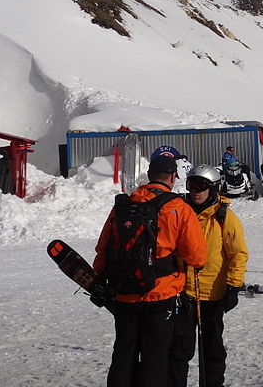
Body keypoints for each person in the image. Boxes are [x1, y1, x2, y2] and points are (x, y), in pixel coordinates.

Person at [94, 152, 207, 387]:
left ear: (149, 175)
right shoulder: (178, 207)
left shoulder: (124, 205)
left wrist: (102, 276)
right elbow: (196, 257)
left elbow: (103, 247)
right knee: (155, 357)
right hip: (161, 295)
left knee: (123, 354)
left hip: (124, 293)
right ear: (173, 177)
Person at [168, 165, 248, 387]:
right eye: (191, 185)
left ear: (212, 188)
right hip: (184, 293)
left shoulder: (224, 217)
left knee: (211, 349)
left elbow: (238, 253)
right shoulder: (181, 213)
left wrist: (233, 286)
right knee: (179, 349)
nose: (195, 191)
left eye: (201, 186)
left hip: (212, 295)